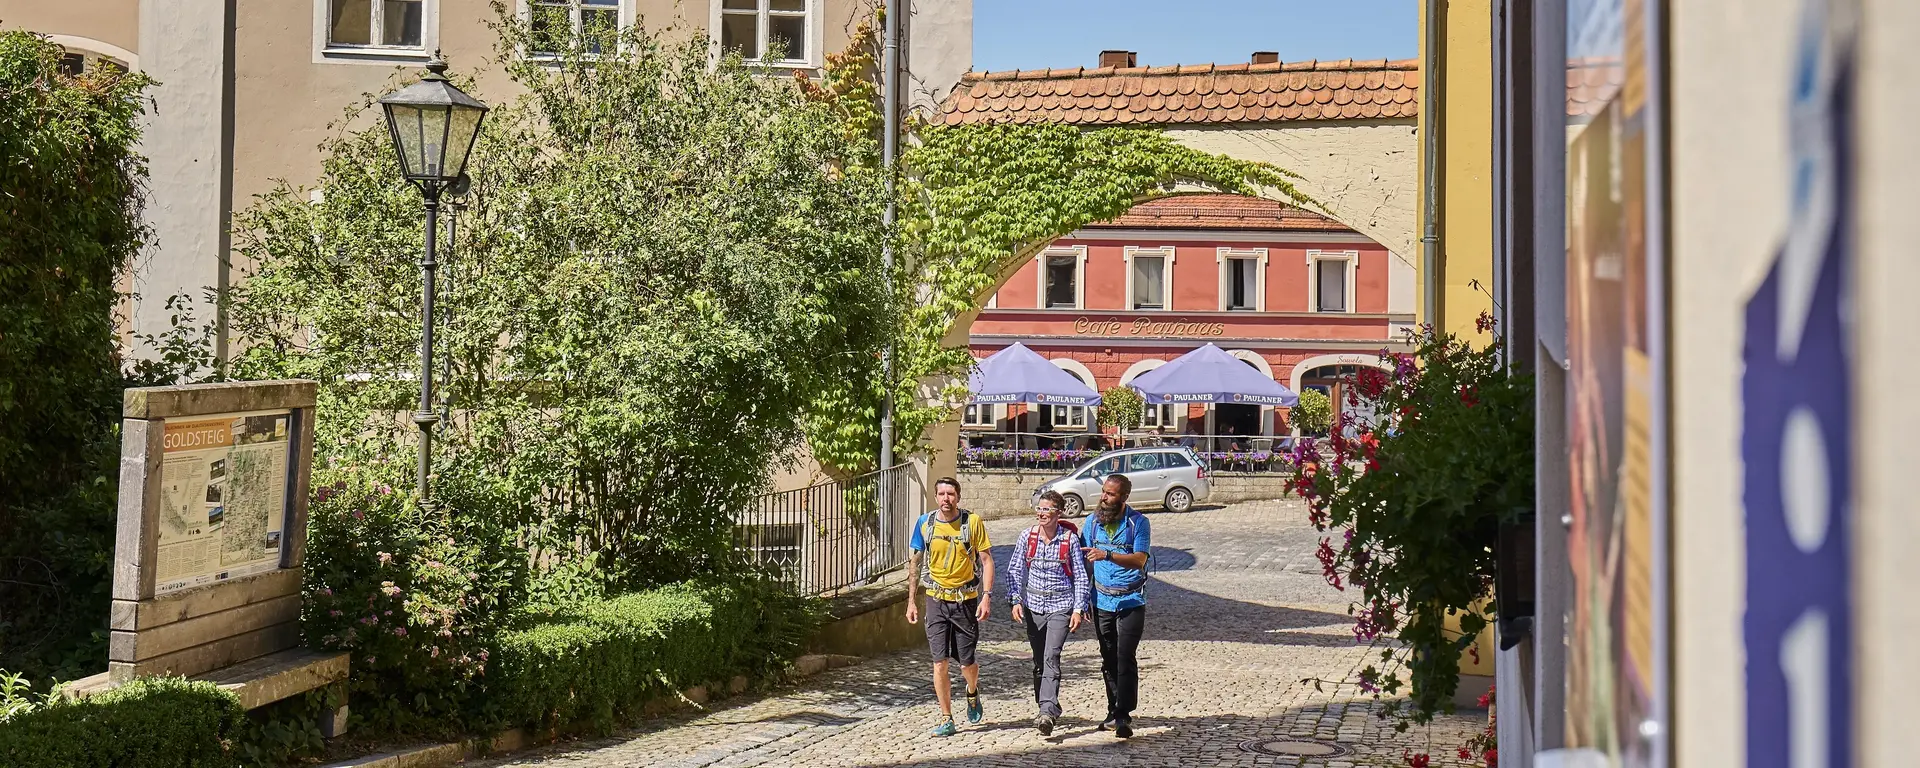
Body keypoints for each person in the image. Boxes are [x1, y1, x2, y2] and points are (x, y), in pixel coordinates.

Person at [906, 477, 994, 737]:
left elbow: (987, 561)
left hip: (965, 600)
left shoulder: (972, 523)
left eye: (951, 494)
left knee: (966, 663)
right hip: (935, 599)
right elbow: (915, 563)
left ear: (958, 497)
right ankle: (947, 718)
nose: (946, 498)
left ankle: (972, 690)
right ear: (936, 497)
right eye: (942, 493)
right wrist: (911, 601)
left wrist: (987, 596)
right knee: (939, 662)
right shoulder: (925, 524)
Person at [1005, 490, 1090, 736]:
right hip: (1033, 607)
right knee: (1039, 663)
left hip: (1061, 606)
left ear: (1058, 513)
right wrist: (1015, 600)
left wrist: (1078, 608)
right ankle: (1048, 705)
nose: (1041, 513)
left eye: (1047, 509)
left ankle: (1046, 712)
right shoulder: (1027, 536)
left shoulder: (1069, 540)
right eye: (1039, 509)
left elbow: (1081, 576)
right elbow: (1014, 569)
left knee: (1052, 656)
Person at [1081, 474, 1151, 739]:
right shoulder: (1092, 522)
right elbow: (1082, 559)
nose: (1104, 497)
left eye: (1110, 494)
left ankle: (1124, 714)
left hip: (1131, 599)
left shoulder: (1139, 523)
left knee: (1125, 656)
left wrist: (1107, 554)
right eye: (1103, 492)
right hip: (1101, 600)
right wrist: (1082, 599)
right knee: (1108, 656)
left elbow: (1139, 559)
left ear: (1124, 497)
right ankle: (1112, 709)